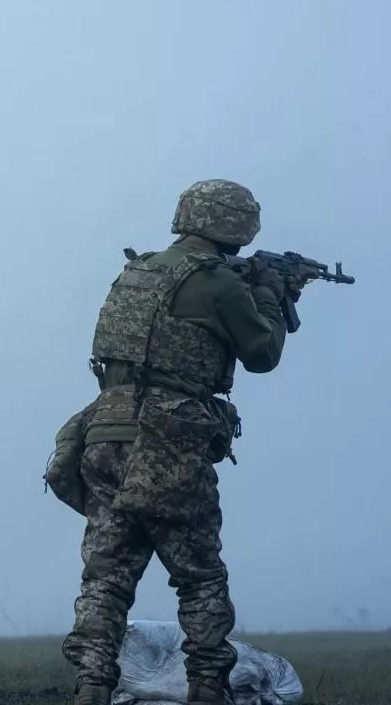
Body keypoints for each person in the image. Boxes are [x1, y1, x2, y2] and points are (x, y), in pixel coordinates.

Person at [60, 180, 291, 705]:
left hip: (105, 434)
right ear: (236, 225)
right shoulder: (219, 283)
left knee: (106, 578)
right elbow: (262, 353)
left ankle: (91, 689)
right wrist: (272, 298)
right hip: (168, 445)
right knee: (199, 577)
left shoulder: (137, 271)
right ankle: (207, 689)